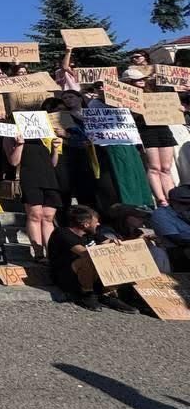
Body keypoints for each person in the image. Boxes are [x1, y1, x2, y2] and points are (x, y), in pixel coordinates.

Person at [47, 204, 138, 313]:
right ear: (86, 224)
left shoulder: (92, 234)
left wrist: (117, 244)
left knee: (118, 254)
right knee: (89, 257)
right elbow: (83, 252)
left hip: (91, 276)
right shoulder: (62, 233)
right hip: (68, 277)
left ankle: (106, 294)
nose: (99, 224)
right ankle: (87, 294)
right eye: (96, 222)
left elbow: (109, 243)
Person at [4, 118, 64, 263]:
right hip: (30, 179)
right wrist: (19, 144)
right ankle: (38, 253)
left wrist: (55, 149)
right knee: (35, 215)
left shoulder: (43, 136)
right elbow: (13, 161)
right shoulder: (10, 135)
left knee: (48, 217)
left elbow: (53, 164)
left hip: (49, 179)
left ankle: (51, 253)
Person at [126, 68, 177, 207]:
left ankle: (172, 197)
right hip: (146, 131)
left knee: (166, 167)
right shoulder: (126, 98)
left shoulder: (153, 93)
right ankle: (161, 199)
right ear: (128, 82)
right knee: (154, 167)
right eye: (136, 79)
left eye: (142, 78)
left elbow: (170, 106)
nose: (141, 81)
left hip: (163, 129)